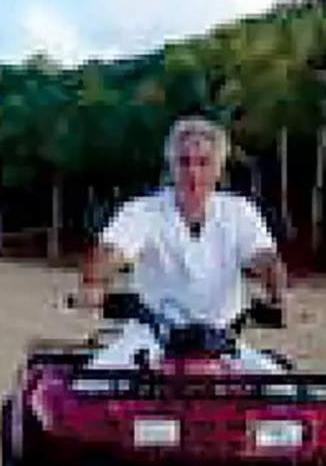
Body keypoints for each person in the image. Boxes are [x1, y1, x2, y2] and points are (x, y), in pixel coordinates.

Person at [74, 115, 289, 370]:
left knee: (284, 394)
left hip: (221, 342)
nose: (193, 173)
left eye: (203, 163)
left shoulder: (239, 211)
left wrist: (279, 293)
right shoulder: (142, 211)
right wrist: (94, 283)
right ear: (171, 166)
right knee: (91, 387)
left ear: (219, 168)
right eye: (184, 162)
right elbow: (111, 251)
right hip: (151, 337)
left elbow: (263, 256)